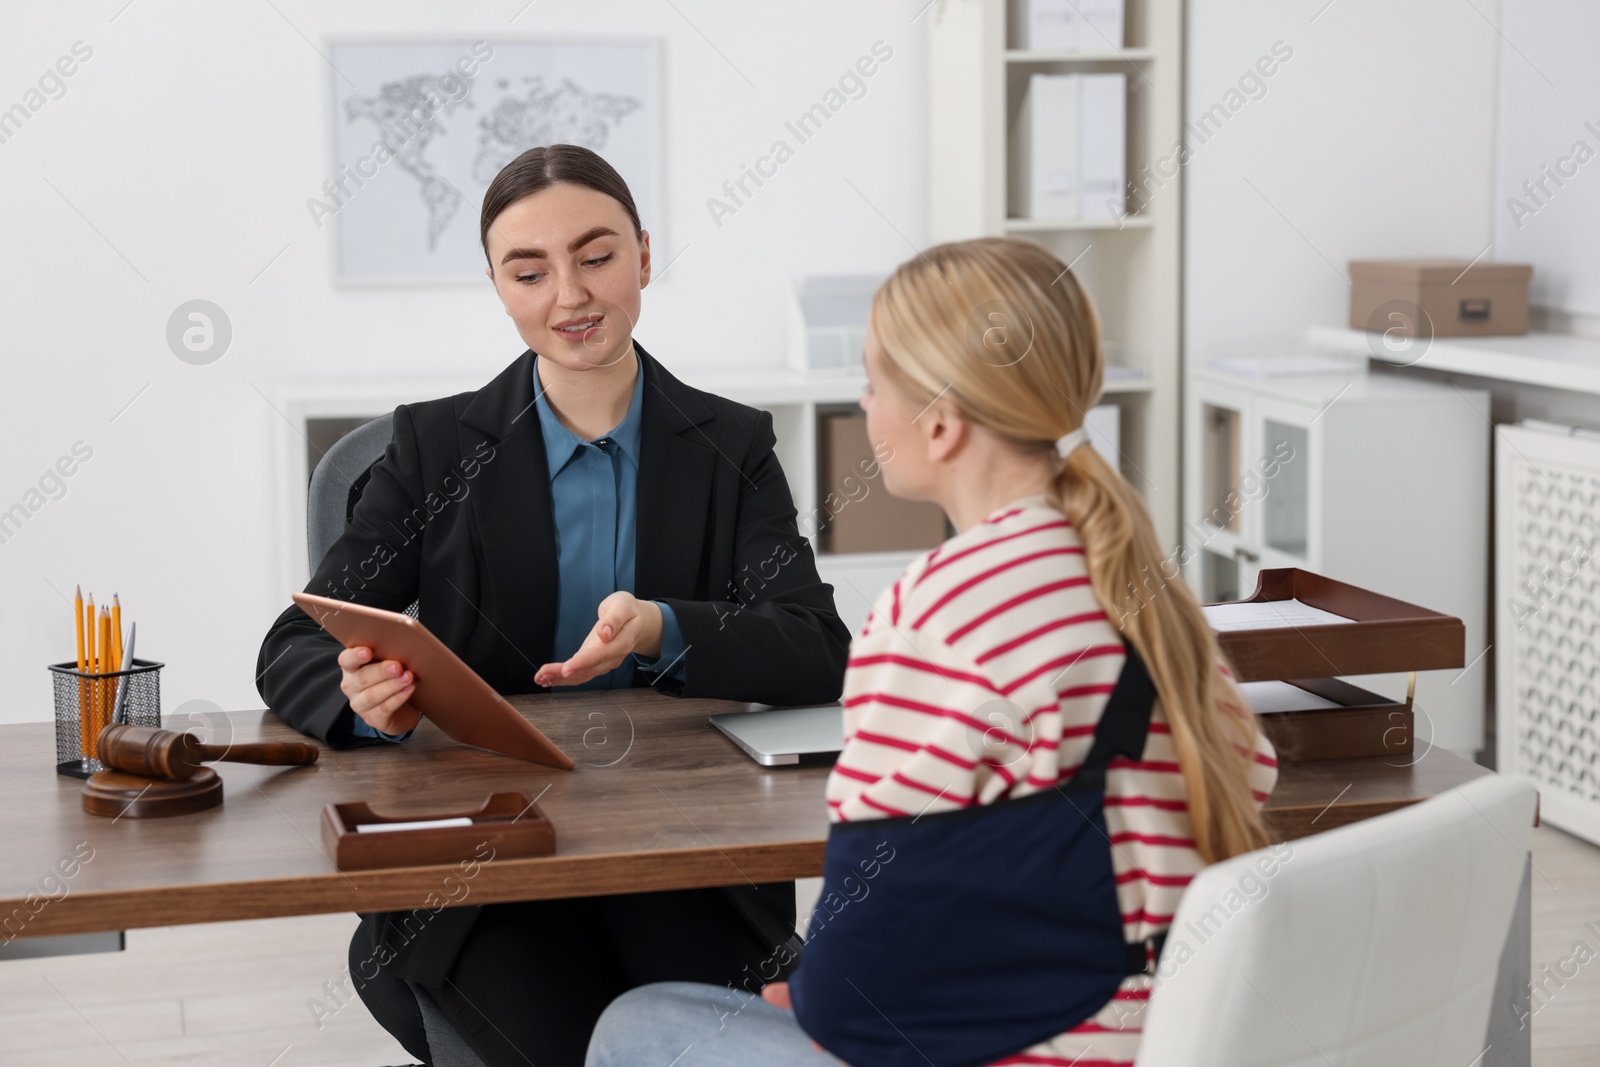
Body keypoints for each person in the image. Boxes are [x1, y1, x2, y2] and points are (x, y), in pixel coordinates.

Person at [583, 237, 1280, 1067]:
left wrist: (816, 999)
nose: (866, 405)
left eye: (876, 383)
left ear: (942, 423)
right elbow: (1247, 775)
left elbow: (861, 930)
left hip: (1022, 1043)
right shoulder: (1152, 589)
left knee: (639, 1023)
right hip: (1176, 1029)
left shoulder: (939, 605)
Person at [255, 144, 851, 1067]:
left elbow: (817, 644)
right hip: (487, 863)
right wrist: (365, 700)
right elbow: (296, 639)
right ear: (498, 287)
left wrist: (664, 627)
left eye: (597, 256)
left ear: (644, 258)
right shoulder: (432, 448)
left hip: (679, 855)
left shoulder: (732, 444)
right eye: (530, 271)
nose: (570, 294)